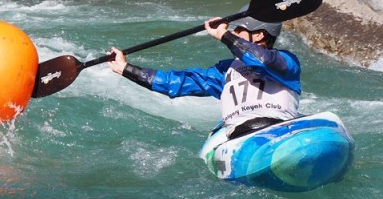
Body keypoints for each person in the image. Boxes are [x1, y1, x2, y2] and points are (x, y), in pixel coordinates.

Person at [107, 10, 301, 138]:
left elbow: (263, 60)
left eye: (239, 30)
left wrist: (225, 35)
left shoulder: (286, 62)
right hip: (241, 135)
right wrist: (127, 69)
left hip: (280, 128)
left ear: (258, 35)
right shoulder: (225, 71)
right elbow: (176, 83)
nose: (234, 33)